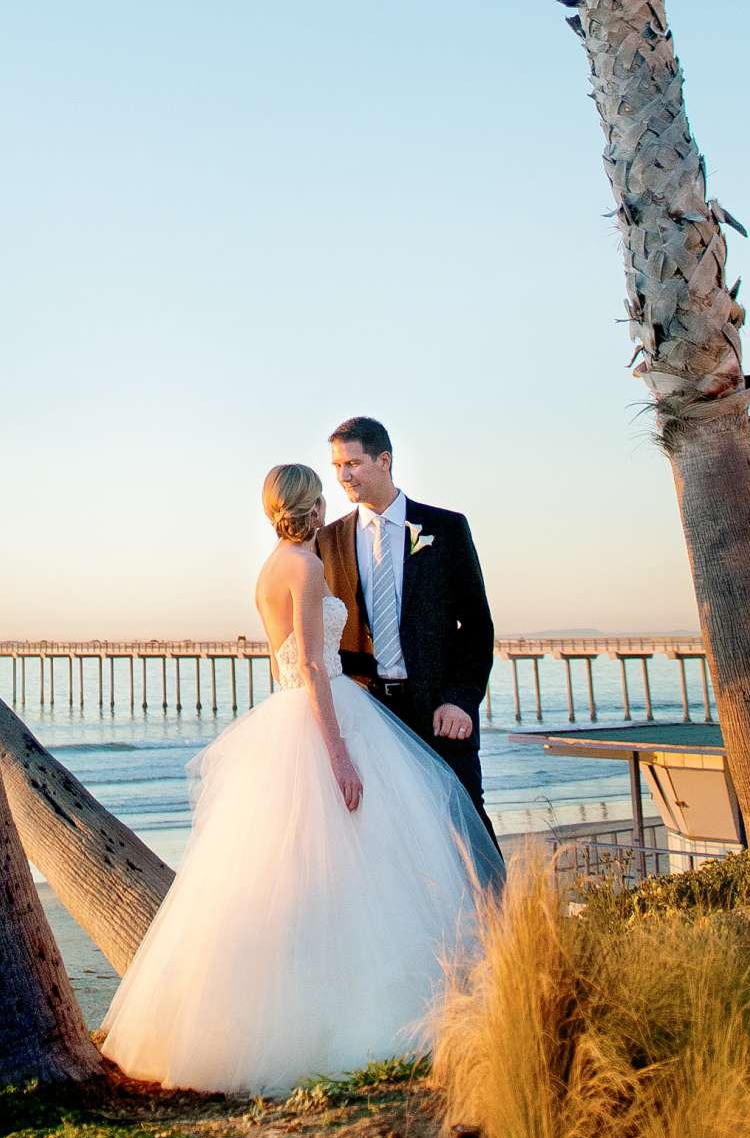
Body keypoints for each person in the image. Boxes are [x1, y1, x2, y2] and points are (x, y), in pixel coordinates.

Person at [98, 464, 500, 1094]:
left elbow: (289, 661)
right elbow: (314, 667)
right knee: (366, 861)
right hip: (325, 713)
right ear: (310, 509)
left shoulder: (269, 568)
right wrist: (339, 754)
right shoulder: (309, 568)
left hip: (287, 712)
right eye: (323, 496)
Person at [318, 416, 498, 844]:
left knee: (465, 829)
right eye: (338, 466)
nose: (344, 476)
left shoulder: (447, 529)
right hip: (368, 717)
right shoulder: (328, 541)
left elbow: (477, 626)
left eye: (354, 463)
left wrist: (460, 700)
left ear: (384, 460)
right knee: (381, 841)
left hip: (438, 712)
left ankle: (505, 915)